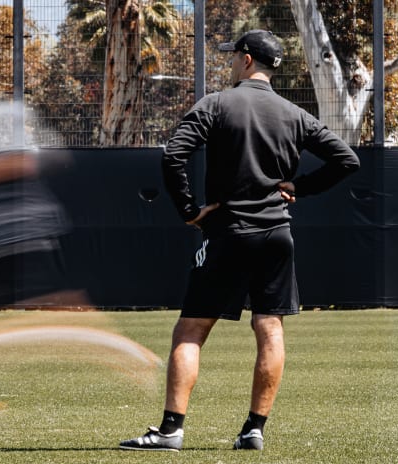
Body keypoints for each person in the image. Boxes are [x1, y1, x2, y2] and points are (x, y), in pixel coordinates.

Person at [119, 29, 360, 452]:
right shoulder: (294, 114)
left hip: (228, 233)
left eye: (234, 56)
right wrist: (299, 187)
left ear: (247, 60)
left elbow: (173, 155)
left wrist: (190, 211)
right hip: (275, 235)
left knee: (191, 329)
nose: (231, 62)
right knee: (269, 328)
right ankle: (254, 430)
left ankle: (171, 430)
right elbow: (347, 160)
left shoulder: (216, 104)